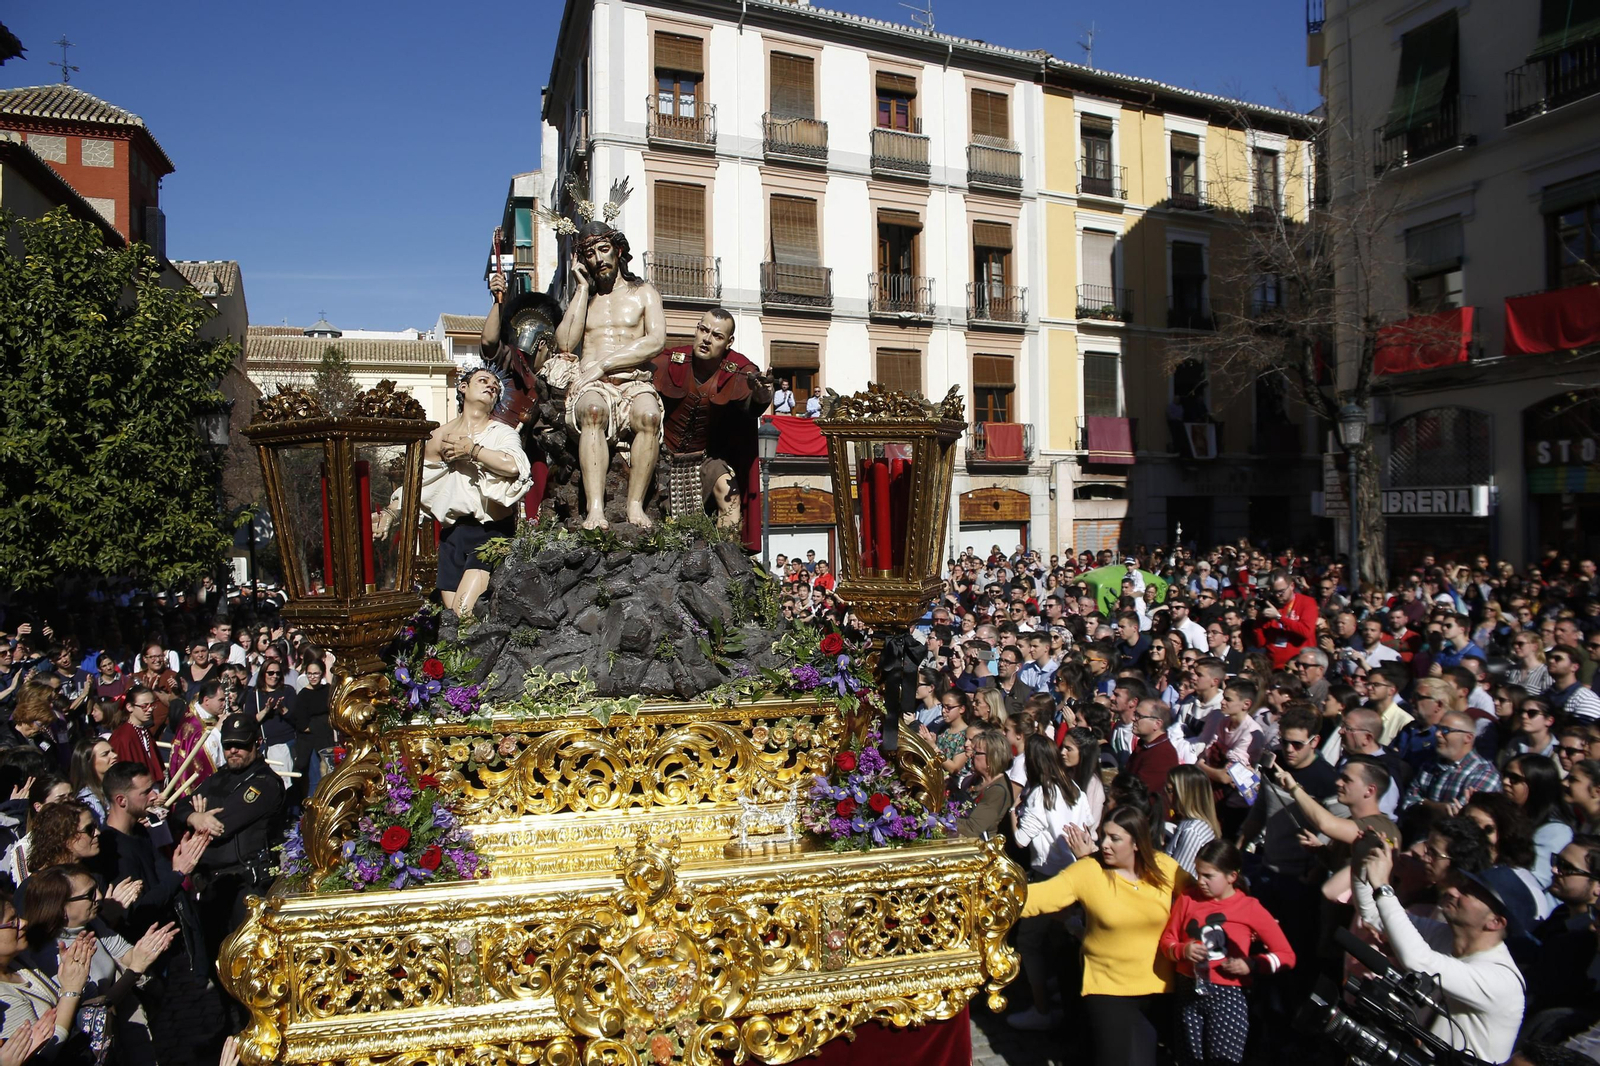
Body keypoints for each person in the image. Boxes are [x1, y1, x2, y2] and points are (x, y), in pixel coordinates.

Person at [1020, 806, 1187, 1066]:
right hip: (1108, 990)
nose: (1105, 844)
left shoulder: (1165, 868)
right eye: (1103, 836)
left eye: (1115, 838)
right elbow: (1041, 898)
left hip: (1160, 989)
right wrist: (994, 897)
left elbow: (1203, 897)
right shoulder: (1088, 871)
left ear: (1136, 843)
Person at [1354, 837, 1531, 1065]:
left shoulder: (1502, 981)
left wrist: (1383, 887)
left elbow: (1419, 962)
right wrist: (1362, 862)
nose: (1455, 891)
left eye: (1469, 893)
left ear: (1495, 922)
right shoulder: (1446, 936)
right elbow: (1375, 914)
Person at [544, 218, 666, 530]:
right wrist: (582, 289)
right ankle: (595, 508)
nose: (598, 259)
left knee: (650, 417)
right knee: (594, 412)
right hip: (593, 385)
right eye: (589, 254)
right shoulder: (586, 300)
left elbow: (655, 341)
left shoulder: (644, 293)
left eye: (603, 249)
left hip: (634, 381)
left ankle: (635, 506)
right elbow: (566, 343)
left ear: (618, 250)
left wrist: (603, 364)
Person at [1159, 840, 1295, 1066]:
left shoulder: (1249, 907)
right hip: (1188, 992)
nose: (1200, 881)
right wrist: (1183, 950)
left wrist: (1252, 964)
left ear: (1232, 876)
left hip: (1228, 997)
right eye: (1198, 873)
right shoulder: (1188, 899)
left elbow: (1286, 955)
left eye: (1208, 876)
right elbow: (1167, 941)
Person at [170, 713, 286, 969]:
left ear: (257, 743)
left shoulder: (265, 783)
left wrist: (201, 815)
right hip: (212, 885)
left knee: (249, 967)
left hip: (246, 887)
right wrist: (194, 816)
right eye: (228, 745)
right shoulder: (218, 777)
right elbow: (178, 809)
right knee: (216, 964)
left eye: (242, 745)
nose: (234, 750)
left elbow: (223, 823)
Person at [648, 309, 771, 542]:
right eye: (703, 330)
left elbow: (750, 405)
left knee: (729, 492)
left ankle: (729, 559)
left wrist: (763, 396)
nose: (706, 339)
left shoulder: (739, 370)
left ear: (728, 342)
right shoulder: (670, 360)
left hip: (705, 459)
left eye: (717, 336)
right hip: (660, 455)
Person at [420, 367, 534, 615]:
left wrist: (473, 451)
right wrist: (390, 514)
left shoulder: (501, 433)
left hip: (490, 533)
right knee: (452, 617)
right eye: (483, 380)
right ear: (463, 387)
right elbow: (420, 482)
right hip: (452, 536)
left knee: (463, 611)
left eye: (496, 386)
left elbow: (515, 465)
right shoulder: (439, 436)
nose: (491, 386)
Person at [1007, 734, 1095, 1031]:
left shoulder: (1040, 795)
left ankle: (1041, 1008)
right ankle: (1065, 1002)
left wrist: (1013, 814)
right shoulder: (1076, 791)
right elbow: (1089, 829)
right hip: (1076, 873)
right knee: (1063, 943)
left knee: (1028, 942)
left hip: (1047, 876)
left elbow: (1020, 839)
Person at [94, 762, 208, 940]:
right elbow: (139, 910)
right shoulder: (111, 850)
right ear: (121, 800)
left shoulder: (139, 831)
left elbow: (164, 875)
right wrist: (178, 873)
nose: (155, 795)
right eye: (145, 792)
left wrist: (183, 860)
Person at [1403, 710, 1502, 812]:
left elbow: (1461, 815)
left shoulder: (1484, 774)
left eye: (1445, 730)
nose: (1437, 734)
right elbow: (1407, 803)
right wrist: (1434, 807)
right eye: (1438, 728)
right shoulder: (1429, 765)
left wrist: (1423, 803)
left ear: (1468, 738)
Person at [1248, 568, 1319, 669]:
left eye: (1281, 592)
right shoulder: (1272, 604)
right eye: (1274, 592)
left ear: (1292, 586)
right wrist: (1259, 621)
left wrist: (1279, 617)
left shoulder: (1307, 602)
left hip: (1298, 667)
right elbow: (1260, 643)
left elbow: (1306, 631)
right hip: (1274, 666)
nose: (1277, 595)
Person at [1163, 765, 1221, 876]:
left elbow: (1179, 880)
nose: (1165, 793)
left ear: (1184, 794)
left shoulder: (1192, 831)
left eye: (1170, 790)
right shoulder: (1193, 824)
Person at [954, 728, 1011, 840]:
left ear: (991, 758)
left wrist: (940, 820)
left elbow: (972, 828)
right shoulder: (977, 779)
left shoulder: (997, 790)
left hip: (981, 849)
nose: (971, 756)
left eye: (976, 753)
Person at [107, 687, 163, 787]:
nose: (150, 709)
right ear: (129, 707)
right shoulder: (123, 737)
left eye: (152, 705)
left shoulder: (143, 729)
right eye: (144, 706)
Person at [1126, 699, 1179, 796]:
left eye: (1139, 716)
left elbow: (1143, 794)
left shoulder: (1162, 754)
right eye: (1135, 714)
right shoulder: (1145, 745)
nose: (1133, 718)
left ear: (1157, 724)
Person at [68, 738, 116, 824]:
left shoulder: (112, 786)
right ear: (88, 763)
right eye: (105, 754)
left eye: (113, 751)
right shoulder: (89, 801)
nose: (114, 755)